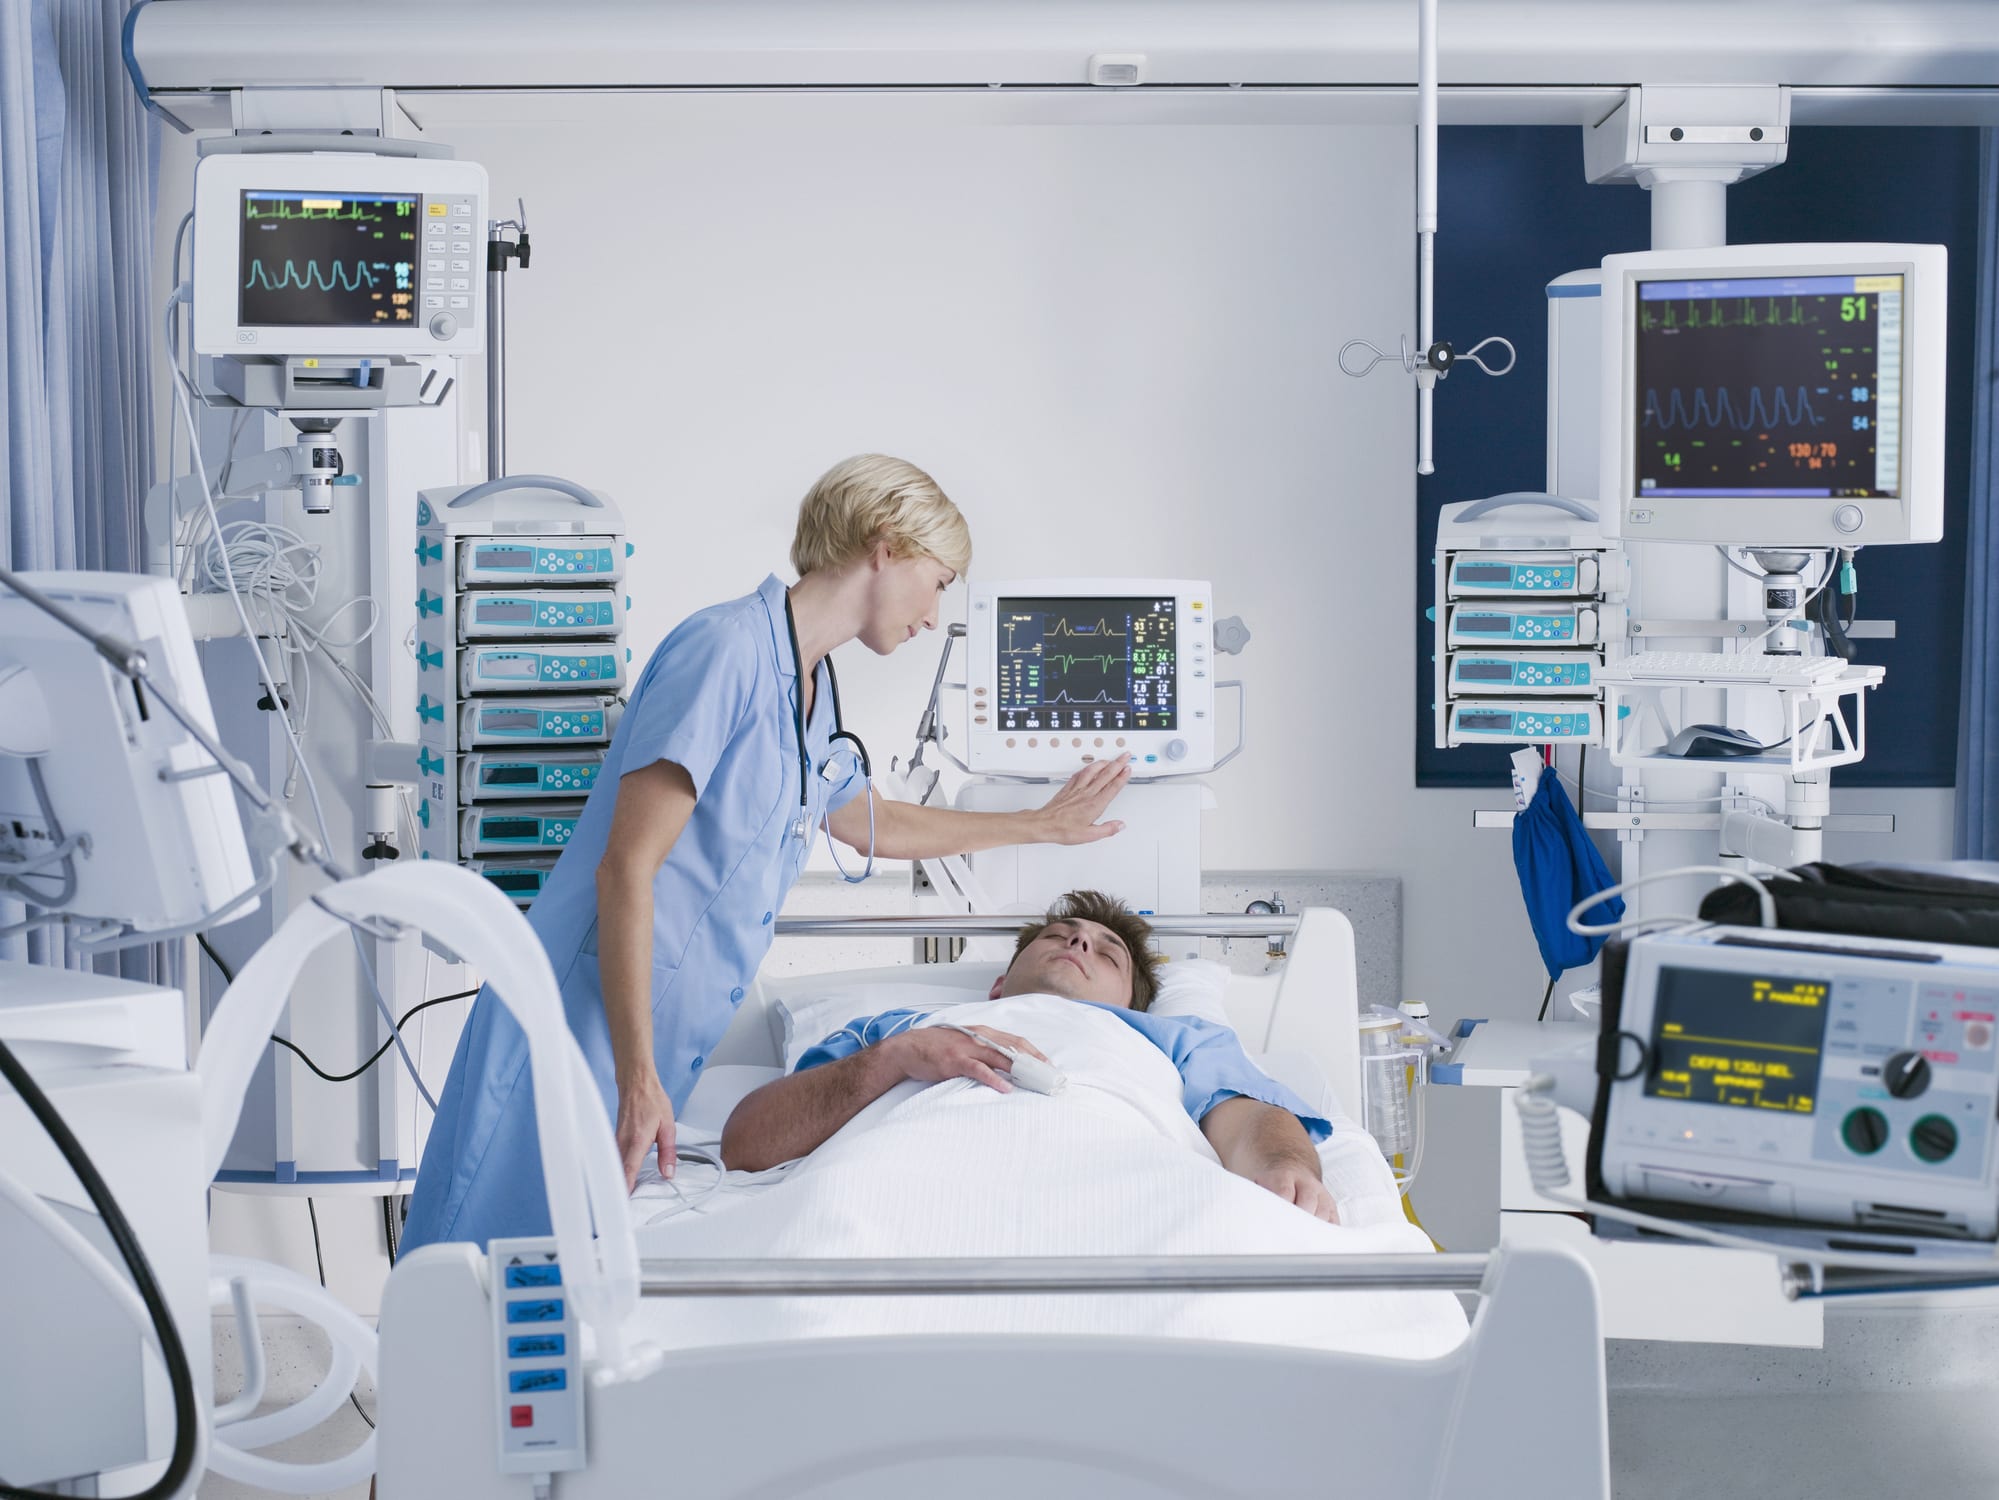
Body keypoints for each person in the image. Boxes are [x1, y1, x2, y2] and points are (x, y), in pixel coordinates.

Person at [401, 457, 1132, 1252]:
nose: (935, 612)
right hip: (579, 1019)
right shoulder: (726, 651)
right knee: (479, 1257)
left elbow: (863, 821)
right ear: (884, 547)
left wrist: (1039, 825)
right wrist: (638, 1076)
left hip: (646, 1036)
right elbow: (627, 867)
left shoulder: (809, 689)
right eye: (941, 579)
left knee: (561, 1281)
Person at [720, 891, 1339, 1221]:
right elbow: (746, 1143)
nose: (1078, 941)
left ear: (1133, 1003)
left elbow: (1247, 1119)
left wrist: (1287, 1171)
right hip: (889, 1189)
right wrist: (896, 1057)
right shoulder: (899, 1029)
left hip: (1125, 1188)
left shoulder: (1169, 1040)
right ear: (998, 983)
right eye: (1059, 935)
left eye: (1107, 953)